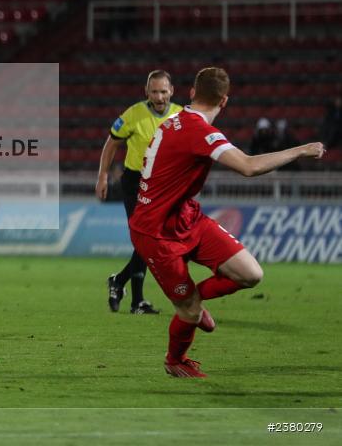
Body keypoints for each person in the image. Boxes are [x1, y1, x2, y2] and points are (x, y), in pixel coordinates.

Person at [129, 67, 324, 378]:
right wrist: (301, 150)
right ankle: (174, 360)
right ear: (225, 101)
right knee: (189, 313)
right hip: (156, 232)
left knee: (250, 274)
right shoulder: (199, 130)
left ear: (191, 93)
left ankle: (194, 300)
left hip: (186, 217)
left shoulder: (176, 121)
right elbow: (248, 166)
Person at [97, 70, 182, 315]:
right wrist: (102, 175)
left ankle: (122, 284)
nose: (159, 96)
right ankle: (136, 300)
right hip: (135, 183)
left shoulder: (180, 115)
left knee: (151, 241)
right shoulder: (133, 114)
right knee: (145, 239)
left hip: (163, 186)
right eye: (154, 91)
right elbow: (111, 143)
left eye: (163, 91)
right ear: (147, 92)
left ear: (171, 91)